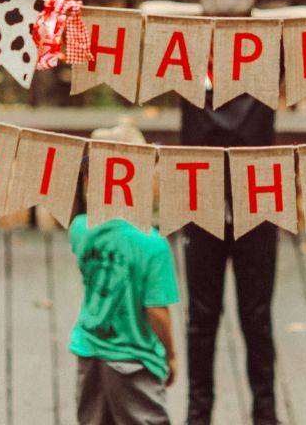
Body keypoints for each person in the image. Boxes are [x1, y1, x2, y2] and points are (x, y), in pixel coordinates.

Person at [68, 124, 180, 425]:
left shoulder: (80, 228)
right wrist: (171, 354)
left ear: (91, 180)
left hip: (89, 348)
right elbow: (156, 310)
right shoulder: (152, 244)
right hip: (134, 357)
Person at [180, 94, 279, 425]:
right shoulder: (190, 66)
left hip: (257, 198)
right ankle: (199, 413)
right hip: (201, 195)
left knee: (255, 317)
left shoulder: (262, 64)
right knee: (203, 317)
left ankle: (264, 412)